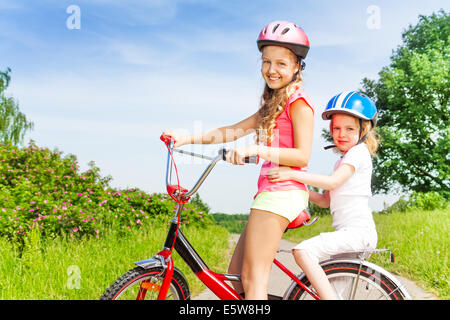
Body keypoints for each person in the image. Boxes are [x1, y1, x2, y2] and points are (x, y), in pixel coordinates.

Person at [163, 21, 314, 299]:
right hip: (268, 195)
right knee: (235, 282)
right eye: (266, 61)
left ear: (296, 67)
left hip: (282, 194)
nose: (272, 69)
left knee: (254, 279)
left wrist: (257, 151)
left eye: (281, 63)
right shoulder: (271, 107)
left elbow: (302, 155)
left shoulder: (299, 104)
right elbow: (228, 132)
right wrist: (185, 137)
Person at [267, 91, 380, 299]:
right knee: (332, 292)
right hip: (348, 232)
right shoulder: (342, 160)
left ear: (363, 131)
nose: (341, 134)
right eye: (336, 128)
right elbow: (326, 200)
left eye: (349, 129)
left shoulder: (358, 153)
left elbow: (332, 182)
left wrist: (292, 174)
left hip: (357, 232)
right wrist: (295, 186)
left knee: (303, 252)